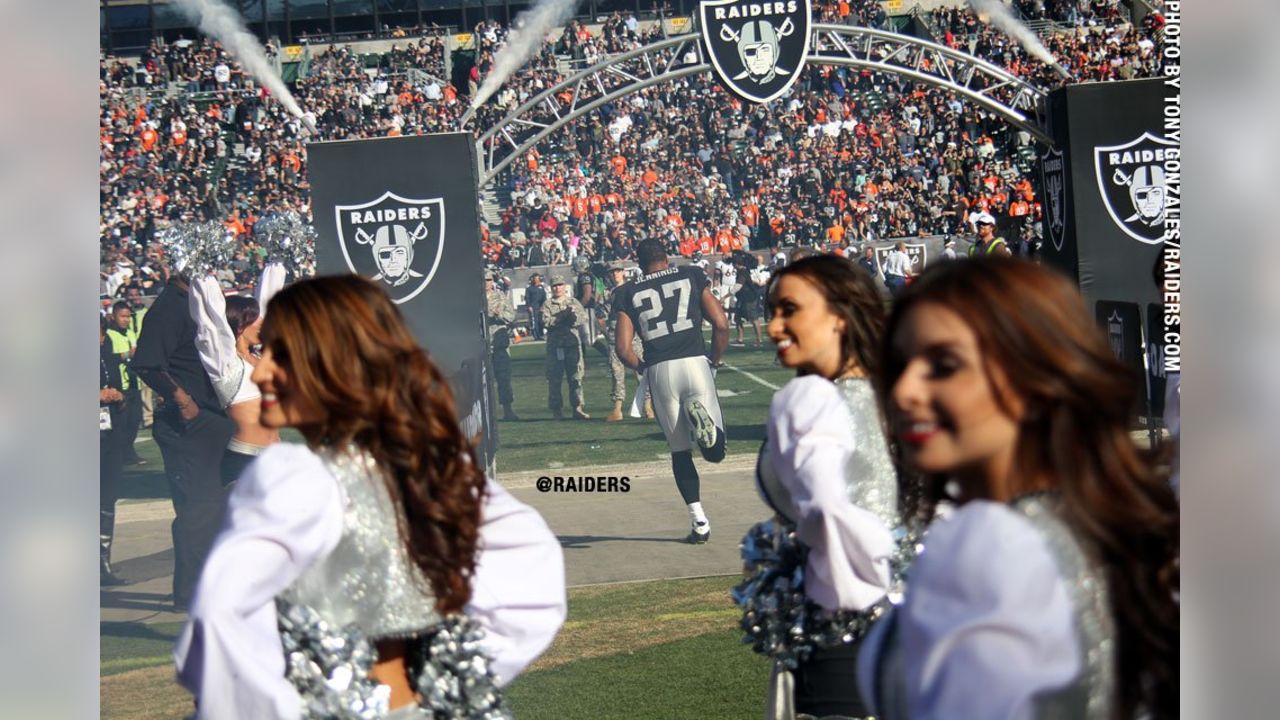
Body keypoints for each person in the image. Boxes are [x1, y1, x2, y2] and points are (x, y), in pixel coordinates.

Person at [174, 275, 567, 718]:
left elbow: (214, 632)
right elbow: (533, 594)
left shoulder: (291, 480)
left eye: (279, 354)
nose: (262, 370)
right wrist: (446, 677)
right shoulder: (433, 470)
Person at [858, 258, 1179, 719]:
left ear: (1035, 377)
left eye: (943, 365)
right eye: (900, 364)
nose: (904, 390)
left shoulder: (993, 542)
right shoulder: (1090, 520)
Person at [736, 255, 901, 719]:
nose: (773, 326)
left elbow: (826, 509)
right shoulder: (906, 396)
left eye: (789, 309)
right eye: (772, 311)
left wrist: (864, 575)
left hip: (840, 635)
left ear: (840, 316)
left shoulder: (807, 399)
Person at [614, 239, 729, 543]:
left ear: (639, 264)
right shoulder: (690, 275)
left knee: (680, 452)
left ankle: (699, 521)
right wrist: (715, 361)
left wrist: (643, 369)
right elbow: (720, 323)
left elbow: (623, 349)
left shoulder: (628, 291)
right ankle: (709, 433)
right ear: (667, 258)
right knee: (716, 452)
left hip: (660, 369)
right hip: (695, 362)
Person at [134, 271, 237, 611]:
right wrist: (182, 399)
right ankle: (191, 595)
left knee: (221, 507)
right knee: (197, 509)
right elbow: (147, 363)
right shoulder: (170, 308)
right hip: (189, 422)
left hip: (216, 419)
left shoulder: (201, 302)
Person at [188, 263, 286, 486]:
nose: (262, 323)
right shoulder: (225, 363)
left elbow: (272, 303)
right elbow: (210, 324)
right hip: (245, 459)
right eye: (255, 320)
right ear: (240, 326)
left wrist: (277, 265)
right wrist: (202, 271)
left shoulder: (261, 356)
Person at [100, 321, 131, 586]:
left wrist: (118, 397)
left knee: (106, 498)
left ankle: (102, 562)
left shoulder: (106, 358)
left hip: (108, 435)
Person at [601, 264, 650, 422]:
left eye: (618, 271)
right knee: (617, 373)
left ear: (623, 272)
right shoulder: (606, 293)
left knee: (641, 370)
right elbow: (601, 313)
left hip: (633, 333)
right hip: (614, 334)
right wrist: (605, 330)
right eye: (612, 272)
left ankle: (648, 405)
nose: (615, 274)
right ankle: (617, 408)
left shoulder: (632, 288)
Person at [542, 277, 590, 420]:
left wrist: (572, 318)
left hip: (572, 346)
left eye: (560, 285)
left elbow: (583, 318)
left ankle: (577, 408)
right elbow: (545, 322)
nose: (557, 288)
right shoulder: (547, 304)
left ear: (565, 286)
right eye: (554, 286)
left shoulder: (573, 302)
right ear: (551, 288)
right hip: (555, 347)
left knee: (576, 378)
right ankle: (557, 410)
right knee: (554, 379)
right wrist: (562, 318)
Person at [104, 301, 145, 464]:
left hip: (134, 382)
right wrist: (126, 355)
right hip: (119, 385)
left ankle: (128, 452)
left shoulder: (130, 333)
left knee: (135, 420)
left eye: (128, 317)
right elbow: (107, 359)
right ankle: (121, 454)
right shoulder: (108, 335)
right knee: (121, 423)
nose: (126, 320)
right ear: (114, 316)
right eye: (122, 316)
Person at [486, 272, 519, 420]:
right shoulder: (474, 298)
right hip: (482, 346)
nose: (486, 283)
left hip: (499, 345)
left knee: (504, 379)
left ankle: (508, 411)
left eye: (488, 280)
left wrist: (499, 315)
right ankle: (486, 414)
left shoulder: (500, 297)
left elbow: (511, 316)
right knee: (483, 383)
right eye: (484, 279)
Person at [526, 273, 547, 340]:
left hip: (540, 307)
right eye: (535, 279)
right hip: (533, 307)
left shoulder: (541, 288)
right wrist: (529, 306)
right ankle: (536, 336)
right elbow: (527, 298)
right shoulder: (529, 288)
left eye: (538, 279)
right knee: (534, 322)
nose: (537, 280)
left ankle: (541, 334)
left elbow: (544, 297)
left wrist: (543, 306)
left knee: (541, 321)